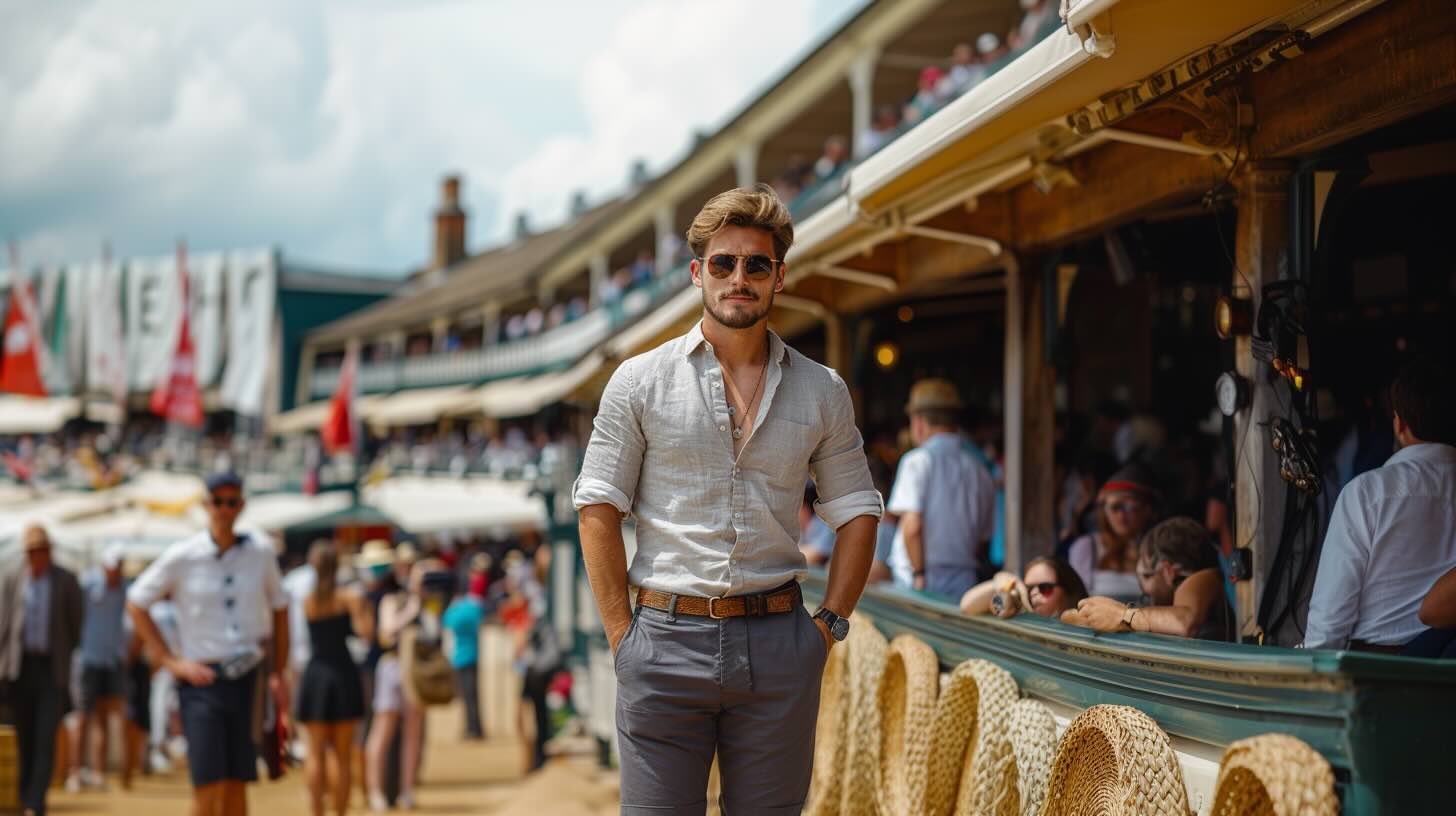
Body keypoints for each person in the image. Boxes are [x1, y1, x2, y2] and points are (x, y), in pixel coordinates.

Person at [574, 184, 882, 813]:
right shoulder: (638, 381)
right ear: (698, 274)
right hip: (661, 641)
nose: (739, 277)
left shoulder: (822, 391)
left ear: (779, 277)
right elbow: (597, 508)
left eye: (756, 264)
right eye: (724, 263)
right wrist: (622, 638)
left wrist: (827, 630)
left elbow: (858, 512)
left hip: (779, 645)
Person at [126, 472, 290, 816]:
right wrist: (171, 661)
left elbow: (280, 608)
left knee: (237, 783)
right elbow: (136, 601)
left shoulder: (260, 551)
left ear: (241, 506)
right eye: (218, 502)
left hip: (248, 678)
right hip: (202, 680)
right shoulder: (184, 554)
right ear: (206, 506)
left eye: (231, 502)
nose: (224, 510)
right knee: (207, 783)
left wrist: (278, 672)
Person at [1304, 356, 1456, 651]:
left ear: (1399, 423)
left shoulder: (1367, 492)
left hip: (1379, 674)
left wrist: (1311, 673)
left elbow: (1331, 617)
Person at [886, 379, 996, 597]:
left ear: (918, 422)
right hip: (964, 579)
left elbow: (912, 526)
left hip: (920, 578)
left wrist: (919, 574)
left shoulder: (917, 461)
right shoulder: (980, 470)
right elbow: (983, 541)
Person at [0, 525, 83, 816]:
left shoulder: (66, 580)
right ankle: (24, 797)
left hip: (51, 669)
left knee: (45, 737)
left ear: (49, 551)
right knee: (25, 736)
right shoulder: (12, 579)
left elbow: (75, 626)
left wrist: (63, 655)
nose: (37, 556)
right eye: (32, 551)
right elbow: (4, 624)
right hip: (19, 669)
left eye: (41, 550)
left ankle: (36, 802)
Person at [294, 541, 372, 816]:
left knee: (314, 753)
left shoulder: (308, 601)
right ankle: (339, 812)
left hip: (315, 675)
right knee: (342, 754)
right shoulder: (349, 597)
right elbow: (367, 633)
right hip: (342, 675)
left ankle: (316, 811)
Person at [1062, 517, 1234, 641]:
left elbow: (1184, 622)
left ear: (1168, 571)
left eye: (1145, 576)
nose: (1144, 590)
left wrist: (1123, 615)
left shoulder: (1205, 578)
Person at [365, 544, 425, 812]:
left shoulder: (406, 597)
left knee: (413, 732)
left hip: (413, 668)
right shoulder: (389, 598)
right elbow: (386, 632)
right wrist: (412, 606)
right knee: (383, 730)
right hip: (391, 666)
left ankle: (407, 790)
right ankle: (376, 791)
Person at [69, 544, 130, 792]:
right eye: (112, 566)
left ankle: (97, 773)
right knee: (82, 717)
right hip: (87, 659)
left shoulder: (126, 588)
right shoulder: (87, 585)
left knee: (103, 718)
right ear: (104, 565)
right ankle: (74, 773)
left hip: (111, 660)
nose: (115, 571)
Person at [1065, 463, 1161, 602]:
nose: (1121, 516)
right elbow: (1077, 601)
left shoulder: (1157, 549)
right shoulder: (1087, 547)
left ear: (1147, 510)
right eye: (1115, 507)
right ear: (1104, 511)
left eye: (1130, 507)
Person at [959, 557, 1089, 619]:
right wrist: (1006, 584)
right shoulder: (1021, 611)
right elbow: (967, 606)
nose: (1034, 593)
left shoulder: (1084, 622)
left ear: (1068, 592)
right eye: (1029, 588)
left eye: (1045, 588)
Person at [441, 563, 486, 740]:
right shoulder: (473, 607)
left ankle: (472, 728)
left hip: (459, 657)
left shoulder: (453, 610)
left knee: (467, 696)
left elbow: (447, 628)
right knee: (473, 695)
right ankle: (475, 727)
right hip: (473, 654)